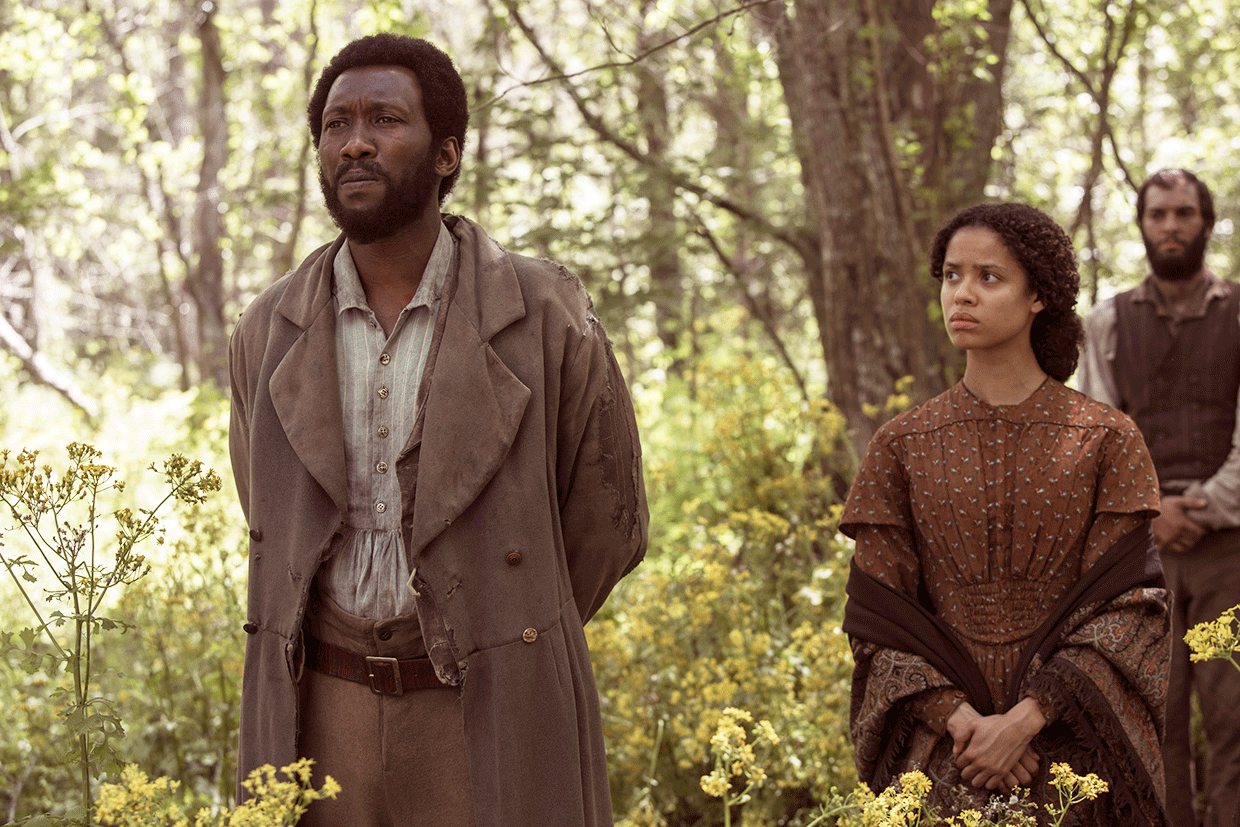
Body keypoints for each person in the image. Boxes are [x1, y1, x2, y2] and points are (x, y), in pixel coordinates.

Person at [227, 33, 648, 827]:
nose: (355, 142)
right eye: (336, 125)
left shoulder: (545, 311)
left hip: (486, 708)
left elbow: (609, 521)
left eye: (385, 119)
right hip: (321, 712)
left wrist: (504, 622)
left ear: (447, 152)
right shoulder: (268, 328)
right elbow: (269, 510)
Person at [840, 203, 1171, 825]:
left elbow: (1129, 610)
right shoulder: (900, 444)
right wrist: (968, 728)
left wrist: (1025, 722)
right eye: (951, 275)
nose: (962, 293)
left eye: (988, 277)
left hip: (1075, 748)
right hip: (943, 755)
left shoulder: (1105, 438)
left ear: (1038, 296)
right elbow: (879, 619)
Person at [1080, 168, 1240, 827]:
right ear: (1141, 224)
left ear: (1205, 222)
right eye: (1158, 215)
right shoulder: (1108, 320)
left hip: (1230, 548)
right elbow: (1097, 430)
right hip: (1141, 554)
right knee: (1154, 718)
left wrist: (1201, 506)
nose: (1170, 226)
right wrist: (1153, 509)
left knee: (1237, 720)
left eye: (1183, 213)